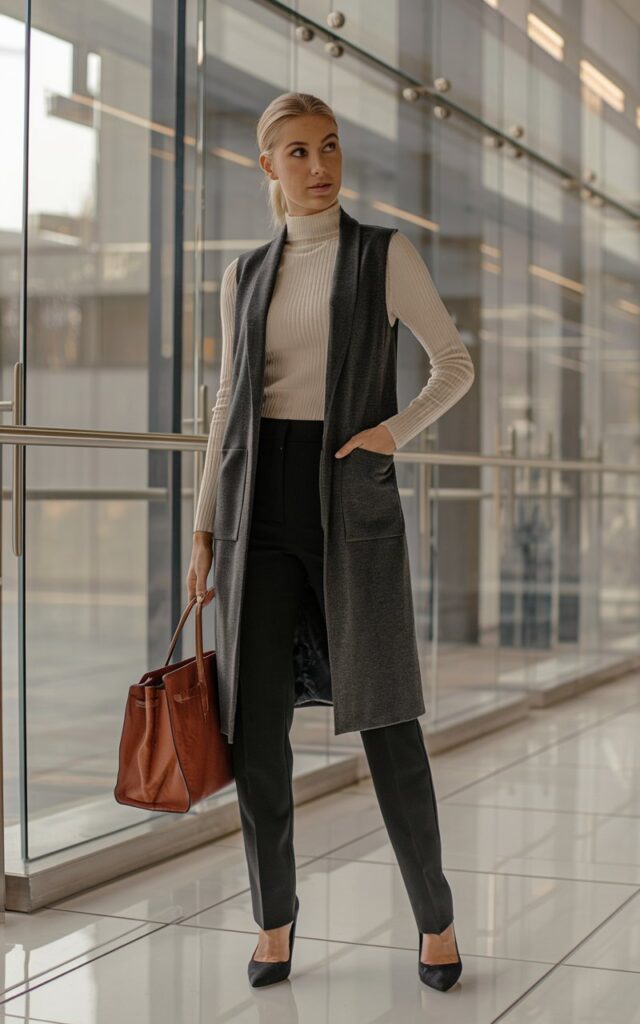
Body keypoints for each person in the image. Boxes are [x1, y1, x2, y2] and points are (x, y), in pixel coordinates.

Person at [186, 92, 474, 991]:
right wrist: (202, 526)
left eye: (330, 148)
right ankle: (274, 922)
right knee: (255, 732)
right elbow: (228, 405)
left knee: (389, 719)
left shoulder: (385, 257)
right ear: (267, 168)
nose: (319, 167)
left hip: (350, 499)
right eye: (298, 153)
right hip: (255, 509)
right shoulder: (243, 274)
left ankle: (434, 917)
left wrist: (392, 431)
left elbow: (454, 363)